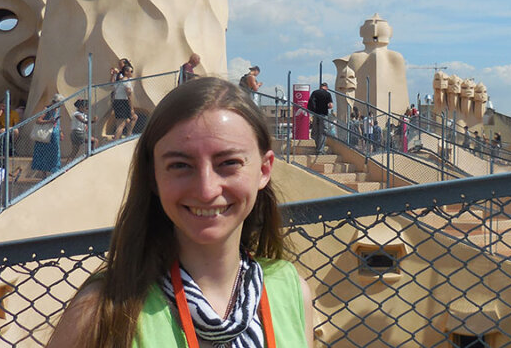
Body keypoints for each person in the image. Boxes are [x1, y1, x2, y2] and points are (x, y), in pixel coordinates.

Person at [47, 77, 313, 348]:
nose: (206, 190)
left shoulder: (291, 291)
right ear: (153, 175)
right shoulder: (101, 313)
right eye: (180, 165)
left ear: (264, 170)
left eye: (229, 163)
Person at [32, 94, 64, 176]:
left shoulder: (57, 110)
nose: (59, 106)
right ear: (53, 102)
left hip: (54, 135)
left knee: (55, 153)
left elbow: (57, 122)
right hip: (46, 136)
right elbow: (38, 120)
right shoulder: (46, 109)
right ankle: (44, 174)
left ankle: (55, 171)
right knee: (44, 154)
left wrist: (60, 131)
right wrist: (49, 121)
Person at [306, 83, 333, 153]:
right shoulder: (328, 94)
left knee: (316, 131)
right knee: (323, 132)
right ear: (326, 87)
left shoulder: (315, 92)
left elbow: (310, 103)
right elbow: (331, 106)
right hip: (324, 115)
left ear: (320, 87)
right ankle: (320, 150)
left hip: (315, 114)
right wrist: (325, 107)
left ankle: (317, 145)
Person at [113, 65, 138, 139]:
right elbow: (129, 95)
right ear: (126, 72)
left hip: (117, 102)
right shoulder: (126, 81)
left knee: (125, 121)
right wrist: (131, 108)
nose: (132, 73)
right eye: (131, 71)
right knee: (121, 124)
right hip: (123, 102)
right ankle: (117, 141)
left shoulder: (119, 81)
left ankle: (127, 135)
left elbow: (114, 92)